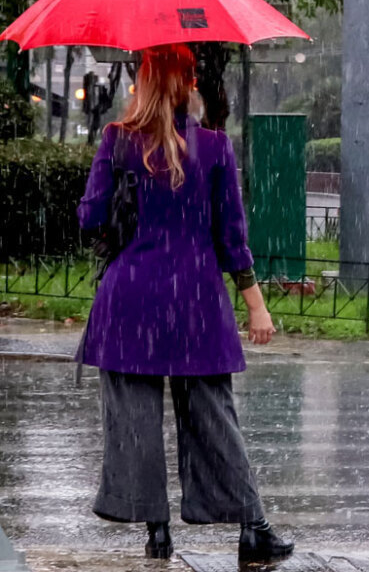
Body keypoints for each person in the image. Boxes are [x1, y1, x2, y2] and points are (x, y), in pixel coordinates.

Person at [77, 44, 293, 562]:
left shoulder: (117, 141)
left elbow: (89, 219)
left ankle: (156, 530)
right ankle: (252, 528)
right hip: (195, 302)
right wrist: (256, 306)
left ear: (144, 82)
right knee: (214, 417)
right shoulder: (215, 148)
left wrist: (119, 224)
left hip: (129, 301)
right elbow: (232, 236)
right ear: (189, 84)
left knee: (134, 419)